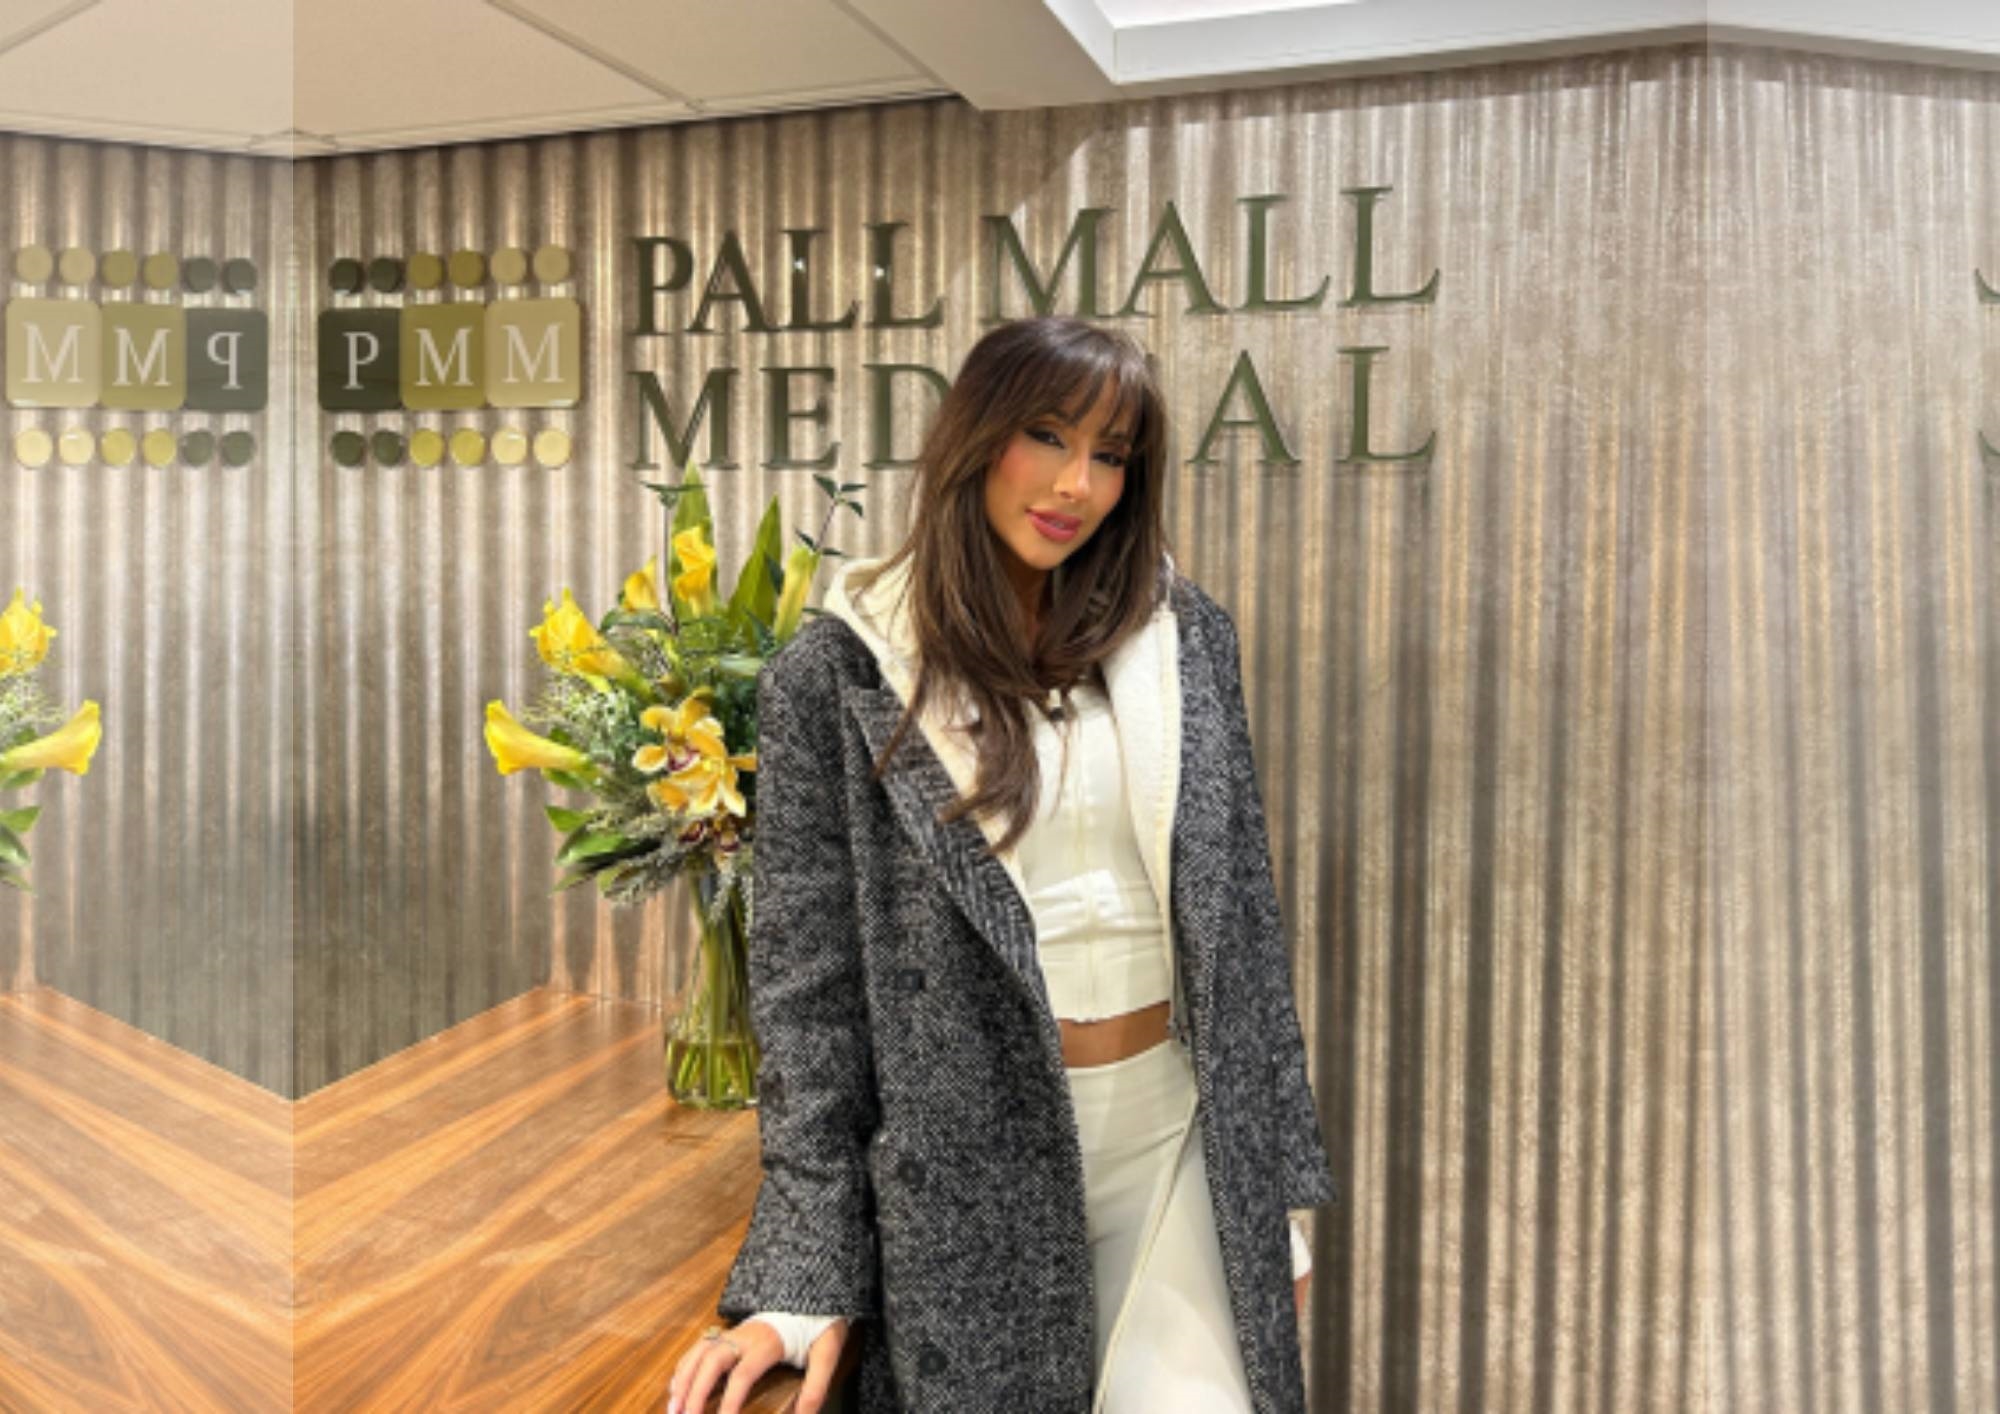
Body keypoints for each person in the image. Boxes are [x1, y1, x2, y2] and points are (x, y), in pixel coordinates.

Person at [667, 316, 1335, 1414]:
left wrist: (1275, 1198)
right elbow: (806, 1002)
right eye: (1046, 436)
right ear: (975, 436)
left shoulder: (1183, 638)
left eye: (1110, 455)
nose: (1076, 482)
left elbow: (1242, 928)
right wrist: (800, 1276)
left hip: (1177, 1142)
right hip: (973, 1176)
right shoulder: (840, 667)